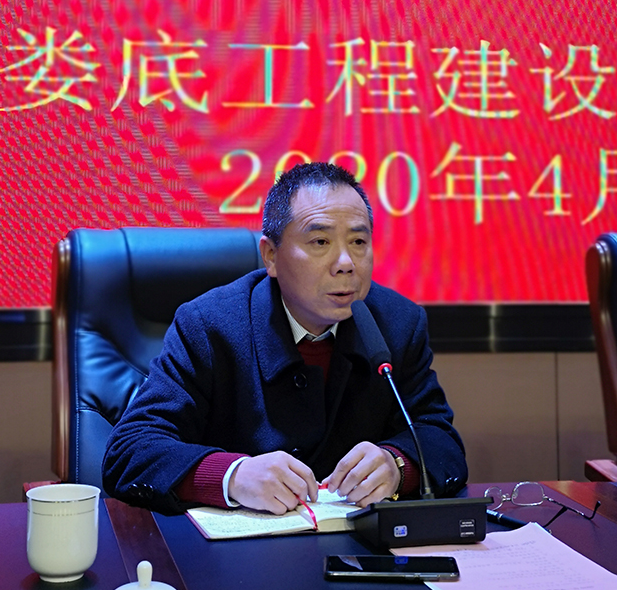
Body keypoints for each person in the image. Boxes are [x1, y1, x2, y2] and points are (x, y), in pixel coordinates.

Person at [102, 162, 466, 515]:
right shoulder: (209, 326)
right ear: (271, 256)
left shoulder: (398, 323)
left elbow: (440, 440)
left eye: (358, 241)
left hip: (360, 544)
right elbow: (130, 451)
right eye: (320, 241)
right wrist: (232, 476)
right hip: (239, 550)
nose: (346, 263)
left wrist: (398, 465)